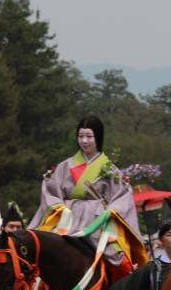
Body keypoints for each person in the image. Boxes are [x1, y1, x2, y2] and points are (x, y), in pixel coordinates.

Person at [29, 115, 147, 275]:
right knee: (41, 253)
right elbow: (51, 193)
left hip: (97, 221)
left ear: (98, 137)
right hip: (67, 219)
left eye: (89, 136)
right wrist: (60, 207)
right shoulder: (64, 166)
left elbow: (122, 197)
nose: (84, 141)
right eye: (80, 136)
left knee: (118, 257)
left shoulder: (109, 169)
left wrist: (109, 211)